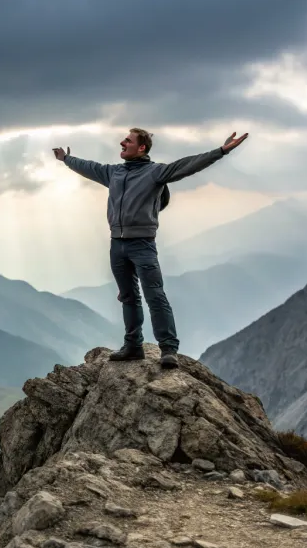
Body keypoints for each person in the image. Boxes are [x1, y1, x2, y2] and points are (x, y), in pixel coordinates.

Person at [53, 128, 248, 368]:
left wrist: (221, 151)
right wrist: (66, 159)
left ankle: (168, 349)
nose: (122, 142)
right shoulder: (113, 172)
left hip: (143, 244)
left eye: (128, 140)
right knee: (128, 297)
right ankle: (133, 346)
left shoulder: (155, 172)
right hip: (117, 244)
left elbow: (187, 165)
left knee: (155, 295)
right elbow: (89, 167)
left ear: (142, 147)